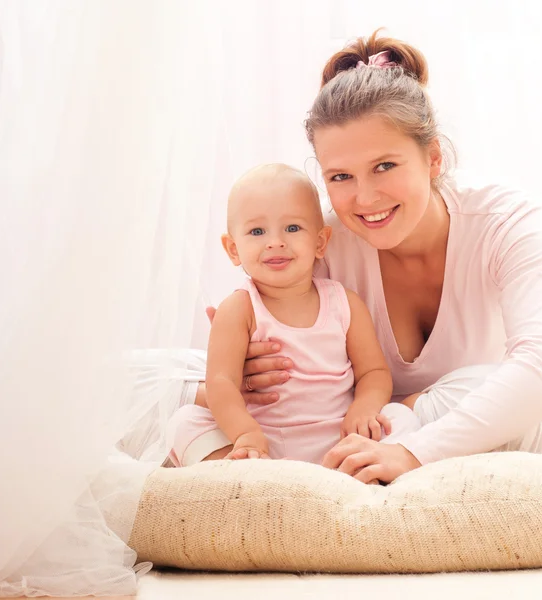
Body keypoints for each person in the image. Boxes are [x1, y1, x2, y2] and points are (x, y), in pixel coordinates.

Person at [176, 30, 542, 483]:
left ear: (433, 158)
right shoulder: (320, 239)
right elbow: (272, 358)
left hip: (441, 432)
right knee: (144, 380)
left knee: (487, 387)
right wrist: (243, 372)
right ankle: (266, 486)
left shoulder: (505, 218)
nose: (365, 198)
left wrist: (411, 448)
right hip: (347, 434)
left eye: (384, 166)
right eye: (341, 176)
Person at [165, 163, 427, 467]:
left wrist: (364, 408)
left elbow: (374, 373)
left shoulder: (344, 302)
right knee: (187, 422)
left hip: (340, 435)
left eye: (292, 228)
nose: (275, 242)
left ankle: (349, 471)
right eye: (257, 231)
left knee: (400, 417)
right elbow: (221, 382)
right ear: (233, 249)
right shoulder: (239, 309)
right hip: (262, 442)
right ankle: (255, 480)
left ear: (320, 242)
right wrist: (245, 432)